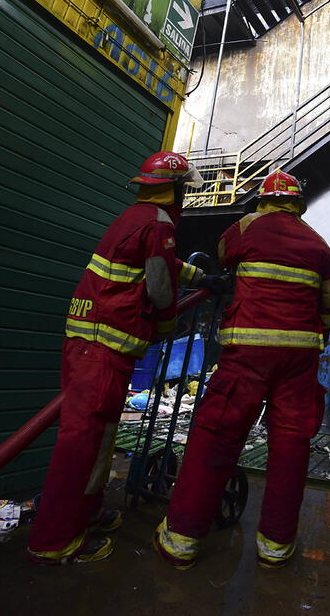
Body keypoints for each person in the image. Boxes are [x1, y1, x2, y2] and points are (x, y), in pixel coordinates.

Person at [28, 151, 224, 564]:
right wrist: (167, 325)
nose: (185, 198)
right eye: (184, 190)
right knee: (82, 445)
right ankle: (54, 540)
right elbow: (160, 289)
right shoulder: (160, 224)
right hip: (103, 348)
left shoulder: (136, 218)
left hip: (89, 344)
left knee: (98, 441)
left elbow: (157, 265)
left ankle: (88, 513)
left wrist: (200, 278)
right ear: (172, 189)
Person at [155, 169, 330, 569]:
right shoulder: (321, 245)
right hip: (299, 358)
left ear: (265, 198)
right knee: (290, 446)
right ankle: (276, 546)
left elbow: (223, 253)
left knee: (217, 435)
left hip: (248, 352)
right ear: (298, 201)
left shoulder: (247, 226)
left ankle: (182, 539)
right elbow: (328, 305)